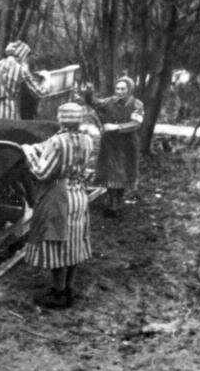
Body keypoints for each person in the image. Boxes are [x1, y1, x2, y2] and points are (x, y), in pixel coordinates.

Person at [21, 102, 93, 309]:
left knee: (58, 242)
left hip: (59, 195)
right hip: (79, 194)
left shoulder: (57, 141)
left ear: (61, 119)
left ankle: (58, 293)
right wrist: (40, 148)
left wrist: (29, 153)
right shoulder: (87, 139)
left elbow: (43, 172)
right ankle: (68, 288)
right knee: (74, 241)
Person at [84, 76, 144, 216]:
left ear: (129, 89)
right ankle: (113, 203)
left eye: (123, 89)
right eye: (117, 88)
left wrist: (116, 126)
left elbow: (136, 123)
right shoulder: (110, 101)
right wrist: (88, 92)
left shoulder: (137, 104)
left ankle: (118, 201)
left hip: (127, 144)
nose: (120, 91)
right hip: (110, 143)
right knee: (111, 172)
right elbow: (94, 103)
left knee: (123, 172)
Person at [0, 40, 45, 119]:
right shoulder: (21, 69)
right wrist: (47, 78)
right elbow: (40, 92)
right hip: (7, 117)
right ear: (22, 56)